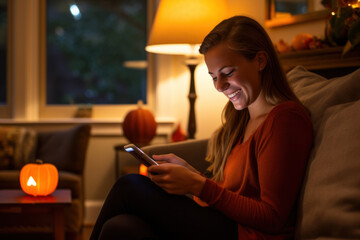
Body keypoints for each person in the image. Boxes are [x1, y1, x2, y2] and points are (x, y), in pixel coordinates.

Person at [90, 15, 313, 240]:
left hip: (248, 235)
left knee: (130, 185)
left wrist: (199, 185)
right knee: (121, 227)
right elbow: (231, 194)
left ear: (260, 61)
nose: (219, 86)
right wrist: (191, 174)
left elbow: (272, 217)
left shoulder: (285, 120)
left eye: (227, 73)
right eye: (214, 76)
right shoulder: (241, 122)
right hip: (226, 224)